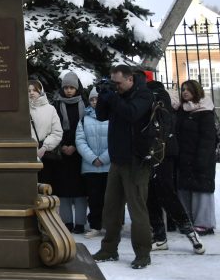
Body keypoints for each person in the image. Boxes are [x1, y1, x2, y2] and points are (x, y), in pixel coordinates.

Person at [92, 65, 154, 269]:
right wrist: (103, 95)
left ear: (130, 79)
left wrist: (113, 98)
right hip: (117, 161)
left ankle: (143, 253)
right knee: (111, 208)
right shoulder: (118, 94)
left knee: (137, 211)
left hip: (137, 162)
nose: (115, 86)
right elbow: (101, 116)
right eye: (113, 82)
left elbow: (132, 113)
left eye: (118, 83)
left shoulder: (143, 94)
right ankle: (109, 249)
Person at [145, 81, 204, 254]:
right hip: (160, 154)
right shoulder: (168, 105)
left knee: (164, 195)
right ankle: (162, 236)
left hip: (161, 154)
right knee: (154, 196)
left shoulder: (158, 102)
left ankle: (186, 233)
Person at [175, 79, 216, 237]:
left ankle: (204, 224)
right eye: (183, 89)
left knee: (201, 191)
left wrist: (202, 159)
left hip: (201, 158)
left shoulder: (205, 111)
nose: (185, 92)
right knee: (185, 190)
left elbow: (208, 138)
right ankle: (189, 221)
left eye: (188, 89)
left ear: (196, 91)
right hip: (184, 156)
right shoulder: (182, 110)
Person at [53, 72, 87, 234]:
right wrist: (62, 146)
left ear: (77, 88)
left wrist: (75, 145)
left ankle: (80, 222)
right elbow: (53, 127)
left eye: (72, 87)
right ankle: (67, 222)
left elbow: (85, 127)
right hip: (62, 154)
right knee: (64, 190)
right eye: (66, 87)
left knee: (80, 190)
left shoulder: (84, 104)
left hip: (79, 153)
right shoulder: (56, 105)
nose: (68, 91)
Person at [75, 88, 110, 239]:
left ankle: (110, 225)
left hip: (108, 165)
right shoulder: (84, 119)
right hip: (90, 166)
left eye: (98, 99)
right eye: (92, 100)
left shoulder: (112, 117)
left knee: (110, 198)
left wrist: (103, 158)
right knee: (94, 198)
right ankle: (95, 225)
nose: (95, 102)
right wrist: (93, 158)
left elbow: (116, 140)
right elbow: (80, 141)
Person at [29, 80, 63, 176]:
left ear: (41, 91)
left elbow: (57, 132)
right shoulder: (22, 110)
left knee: (44, 186)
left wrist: (44, 147)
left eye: (35, 90)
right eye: (29, 90)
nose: (31, 93)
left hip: (45, 156)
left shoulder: (50, 109)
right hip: (26, 156)